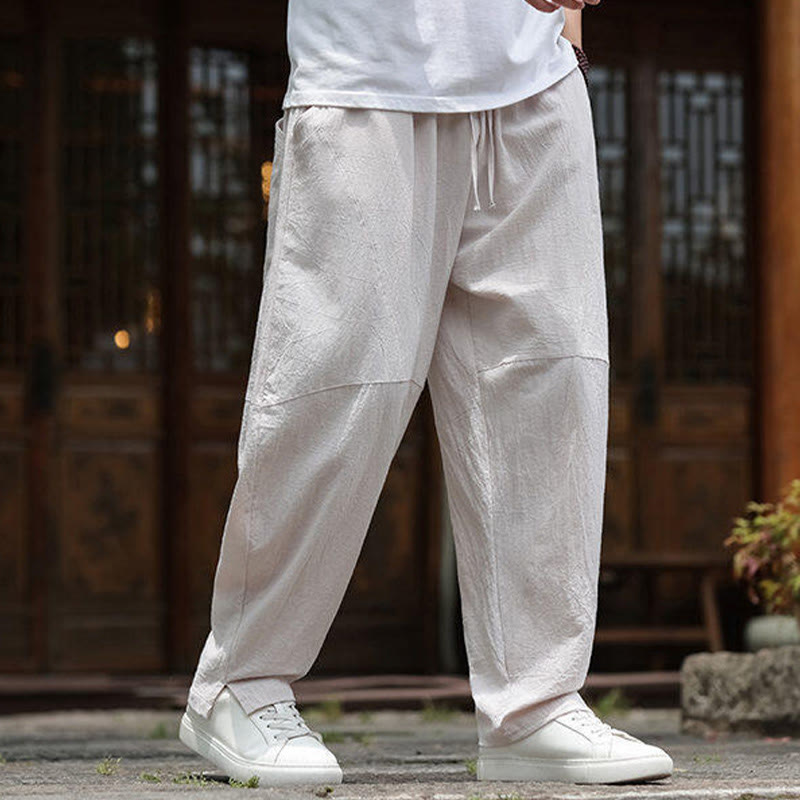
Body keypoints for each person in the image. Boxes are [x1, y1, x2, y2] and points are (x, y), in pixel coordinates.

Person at [178, 0, 675, 786]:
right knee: (336, 390)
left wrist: (569, 39)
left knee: (548, 387)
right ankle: (241, 682)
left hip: (535, 87)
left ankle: (534, 704)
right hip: (367, 76)